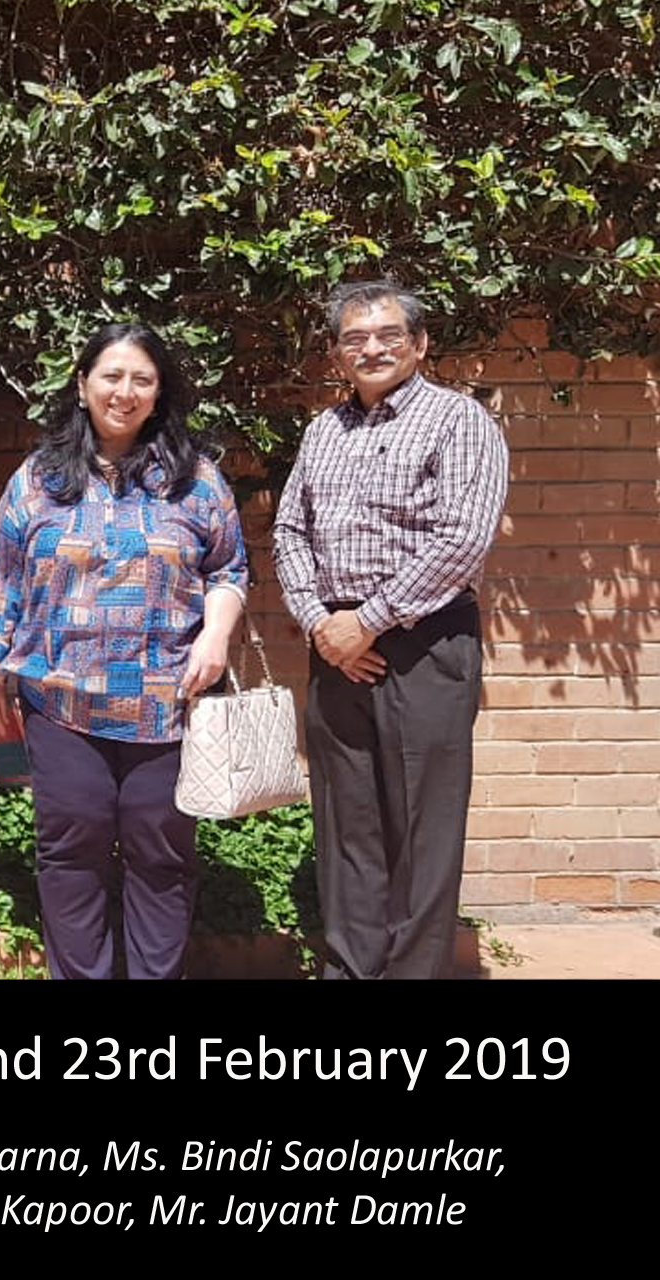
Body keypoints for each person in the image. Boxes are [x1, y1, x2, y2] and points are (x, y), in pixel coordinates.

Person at [0, 324, 248, 980]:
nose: (125, 392)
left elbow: (229, 569)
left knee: (162, 856)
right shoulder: (39, 479)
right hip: (60, 703)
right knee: (70, 852)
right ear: (82, 385)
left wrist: (215, 635)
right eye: (111, 376)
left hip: (167, 704)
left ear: (159, 393)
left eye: (141, 379)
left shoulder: (197, 481)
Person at [274, 280, 507, 980]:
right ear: (336, 354)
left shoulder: (458, 421)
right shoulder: (324, 430)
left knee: (422, 829)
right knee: (347, 823)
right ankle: (351, 969)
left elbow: (462, 538)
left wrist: (367, 623)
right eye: (355, 338)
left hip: (424, 642)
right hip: (334, 645)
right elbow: (289, 531)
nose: (371, 348)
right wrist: (321, 623)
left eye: (388, 335)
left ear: (419, 344)